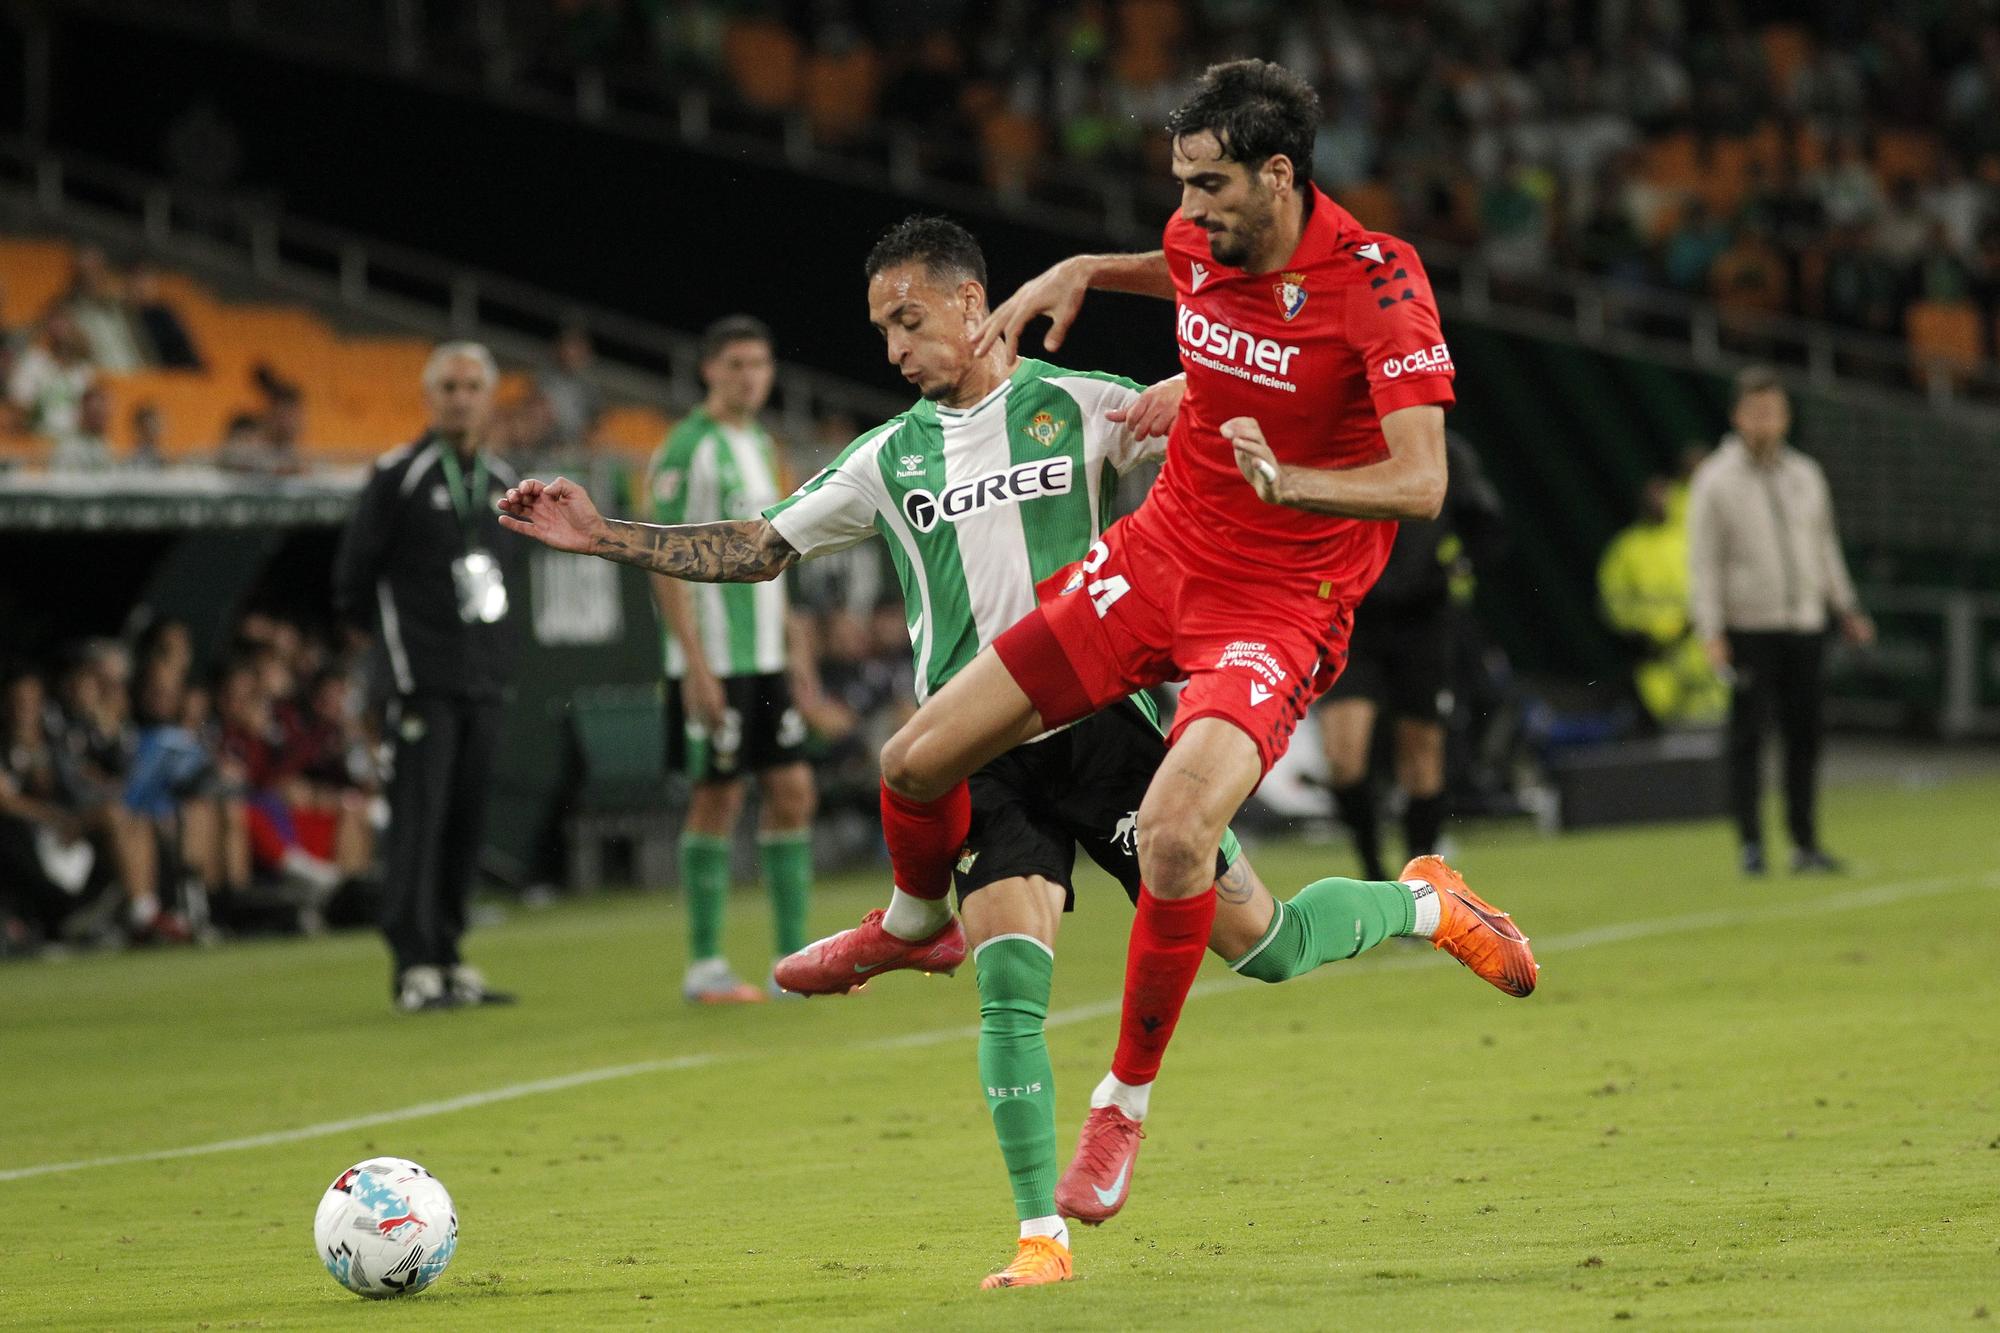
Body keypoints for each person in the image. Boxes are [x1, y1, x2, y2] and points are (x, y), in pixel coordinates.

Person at [498, 213, 1536, 1289]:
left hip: (1105, 729)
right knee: (1009, 985)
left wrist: (1197, 388)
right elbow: (759, 545)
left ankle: (1425, 902)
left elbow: (1237, 406)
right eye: (881, 331)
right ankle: (1041, 1236)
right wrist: (603, 535)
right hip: (982, 754)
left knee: (1263, 945)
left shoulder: (1078, 403)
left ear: (970, 301)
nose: (895, 349)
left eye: (908, 321)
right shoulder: (883, 458)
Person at [796, 56, 1535, 1227]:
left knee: (1186, 844)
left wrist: (1287, 477)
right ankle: (914, 925)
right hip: (1152, 562)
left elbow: (1420, 481)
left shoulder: (1377, 282)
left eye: (1207, 185)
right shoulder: (1201, 237)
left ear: (1277, 175)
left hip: (1276, 602)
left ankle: (1130, 1097)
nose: (1186, 210)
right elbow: (1179, 267)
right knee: (913, 759)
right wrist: (1088, 269)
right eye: (1179, 184)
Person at [332, 341, 524, 1011]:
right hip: (420, 680)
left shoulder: (503, 480)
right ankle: (412, 963)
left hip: (482, 679)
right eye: (449, 387)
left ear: (489, 398)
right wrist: (393, 661)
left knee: (466, 821)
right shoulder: (398, 475)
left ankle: (448, 953)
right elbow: (353, 580)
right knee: (419, 817)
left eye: (472, 387)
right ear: (428, 397)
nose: (461, 399)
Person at [646, 316, 819, 1004]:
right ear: (709, 370)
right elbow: (662, 557)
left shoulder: (762, 446)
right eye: (737, 364)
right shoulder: (687, 447)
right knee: (717, 796)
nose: (751, 376)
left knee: (793, 791)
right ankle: (704, 965)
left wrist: (795, 645)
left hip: (767, 656)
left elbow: (772, 551)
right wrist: (693, 664)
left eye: (760, 364)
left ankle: (792, 962)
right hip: (714, 657)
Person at [1687, 366, 1873, 876]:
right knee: (1749, 738)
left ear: (1787, 417)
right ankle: (1751, 844)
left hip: (1805, 623)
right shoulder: (1716, 480)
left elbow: (1825, 548)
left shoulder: (1805, 475)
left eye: (1774, 411)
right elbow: (1704, 562)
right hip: (1750, 626)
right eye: (1757, 411)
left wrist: (1846, 607)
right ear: (1737, 416)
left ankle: (1805, 842)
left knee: (1805, 736)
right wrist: (1711, 630)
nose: (1766, 421)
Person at [1318, 431, 1504, 879]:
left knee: (1421, 755)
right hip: (1353, 618)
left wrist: (1454, 567)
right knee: (1343, 759)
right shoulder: (1337, 441)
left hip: (1423, 621)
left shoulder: (1445, 449)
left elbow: (1487, 524)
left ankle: (1418, 883)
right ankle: (1373, 872)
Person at [1598, 476, 1727, 729]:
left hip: (1703, 651)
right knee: (1671, 728)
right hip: (1658, 660)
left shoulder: (1693, 539)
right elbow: (1612, 602)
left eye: (1664, 497)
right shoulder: (1627, 548)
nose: (1658, 504)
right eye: (1653, 499)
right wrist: (1646, 629)